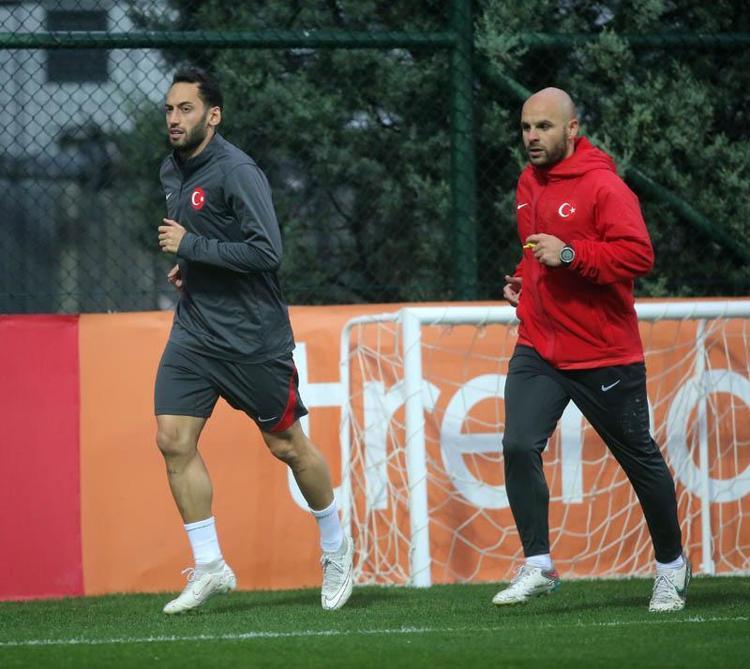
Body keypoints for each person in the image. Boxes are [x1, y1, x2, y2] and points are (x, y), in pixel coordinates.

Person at [154, 67, 353, 614]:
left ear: (213, 116)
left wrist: (191, 248)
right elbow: (211, 240)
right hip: (195, 331)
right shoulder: (171, 169)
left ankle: (336, 547)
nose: (174, 119)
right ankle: (210, 565)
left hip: (251, 338)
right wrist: (190, 267)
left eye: (186, 109)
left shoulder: (238, 171)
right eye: (169, 109)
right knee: (172, 439)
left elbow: (267, 253)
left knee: (286, 446)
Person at [493, 87, 690, 613]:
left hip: (603, 352)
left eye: (544, 127)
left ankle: (671, 567)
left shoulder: (604, 186)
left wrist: (571, 255)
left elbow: (638, 255)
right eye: (526, 127)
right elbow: (537, 255)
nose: (532, 137)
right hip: (539, 346)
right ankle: (539, 565)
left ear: (573, 129)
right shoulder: (527, 183)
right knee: (518, 444)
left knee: (639, 460)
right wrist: (525, 283)